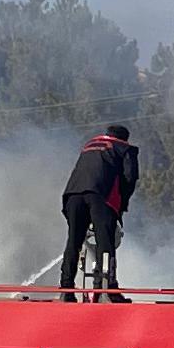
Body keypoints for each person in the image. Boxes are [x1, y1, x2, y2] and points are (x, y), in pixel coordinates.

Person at [55, 119, 141, 293]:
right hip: (100, 196)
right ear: (125, 138)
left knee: (74, 241)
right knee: (105, 241)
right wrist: (121, 205)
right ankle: (104, 287)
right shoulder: (124, 148)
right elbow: (130, 177)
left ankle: (66, 288)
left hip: (72, 195)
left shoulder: (90, 145)